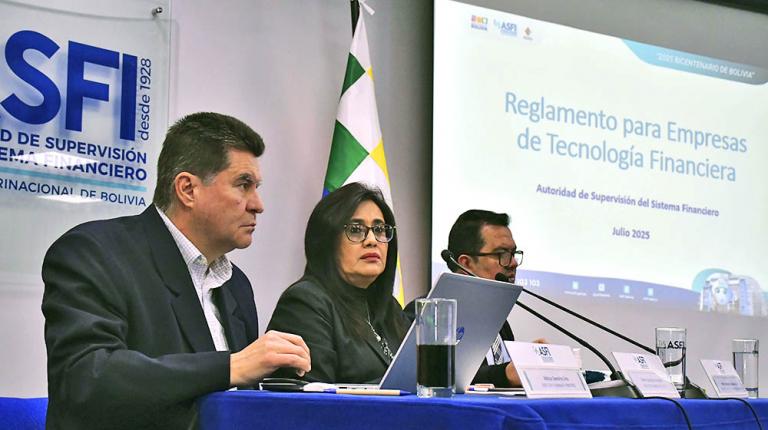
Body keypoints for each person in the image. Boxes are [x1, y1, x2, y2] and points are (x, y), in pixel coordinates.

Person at [41, 112, 311, 430]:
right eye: (243, 185)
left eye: (256, 187)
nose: (258, 204)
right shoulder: (93, 253)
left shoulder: (236, 284)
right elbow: (86, 376)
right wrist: (231, 366)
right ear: (187, 189)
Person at [268, 182, 410, 383]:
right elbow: (314, 395)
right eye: (356, 229)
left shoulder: (389, 308)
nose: (372, 240)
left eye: (379, 229)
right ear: (328, 240)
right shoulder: (305, 303)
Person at [405, 209, 525, 387]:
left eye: (513, 253)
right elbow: (434, 375)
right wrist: (504, 374)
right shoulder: (428, 313)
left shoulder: (498, 318)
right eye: (501, 254)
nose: (513, 263)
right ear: (466, 263)